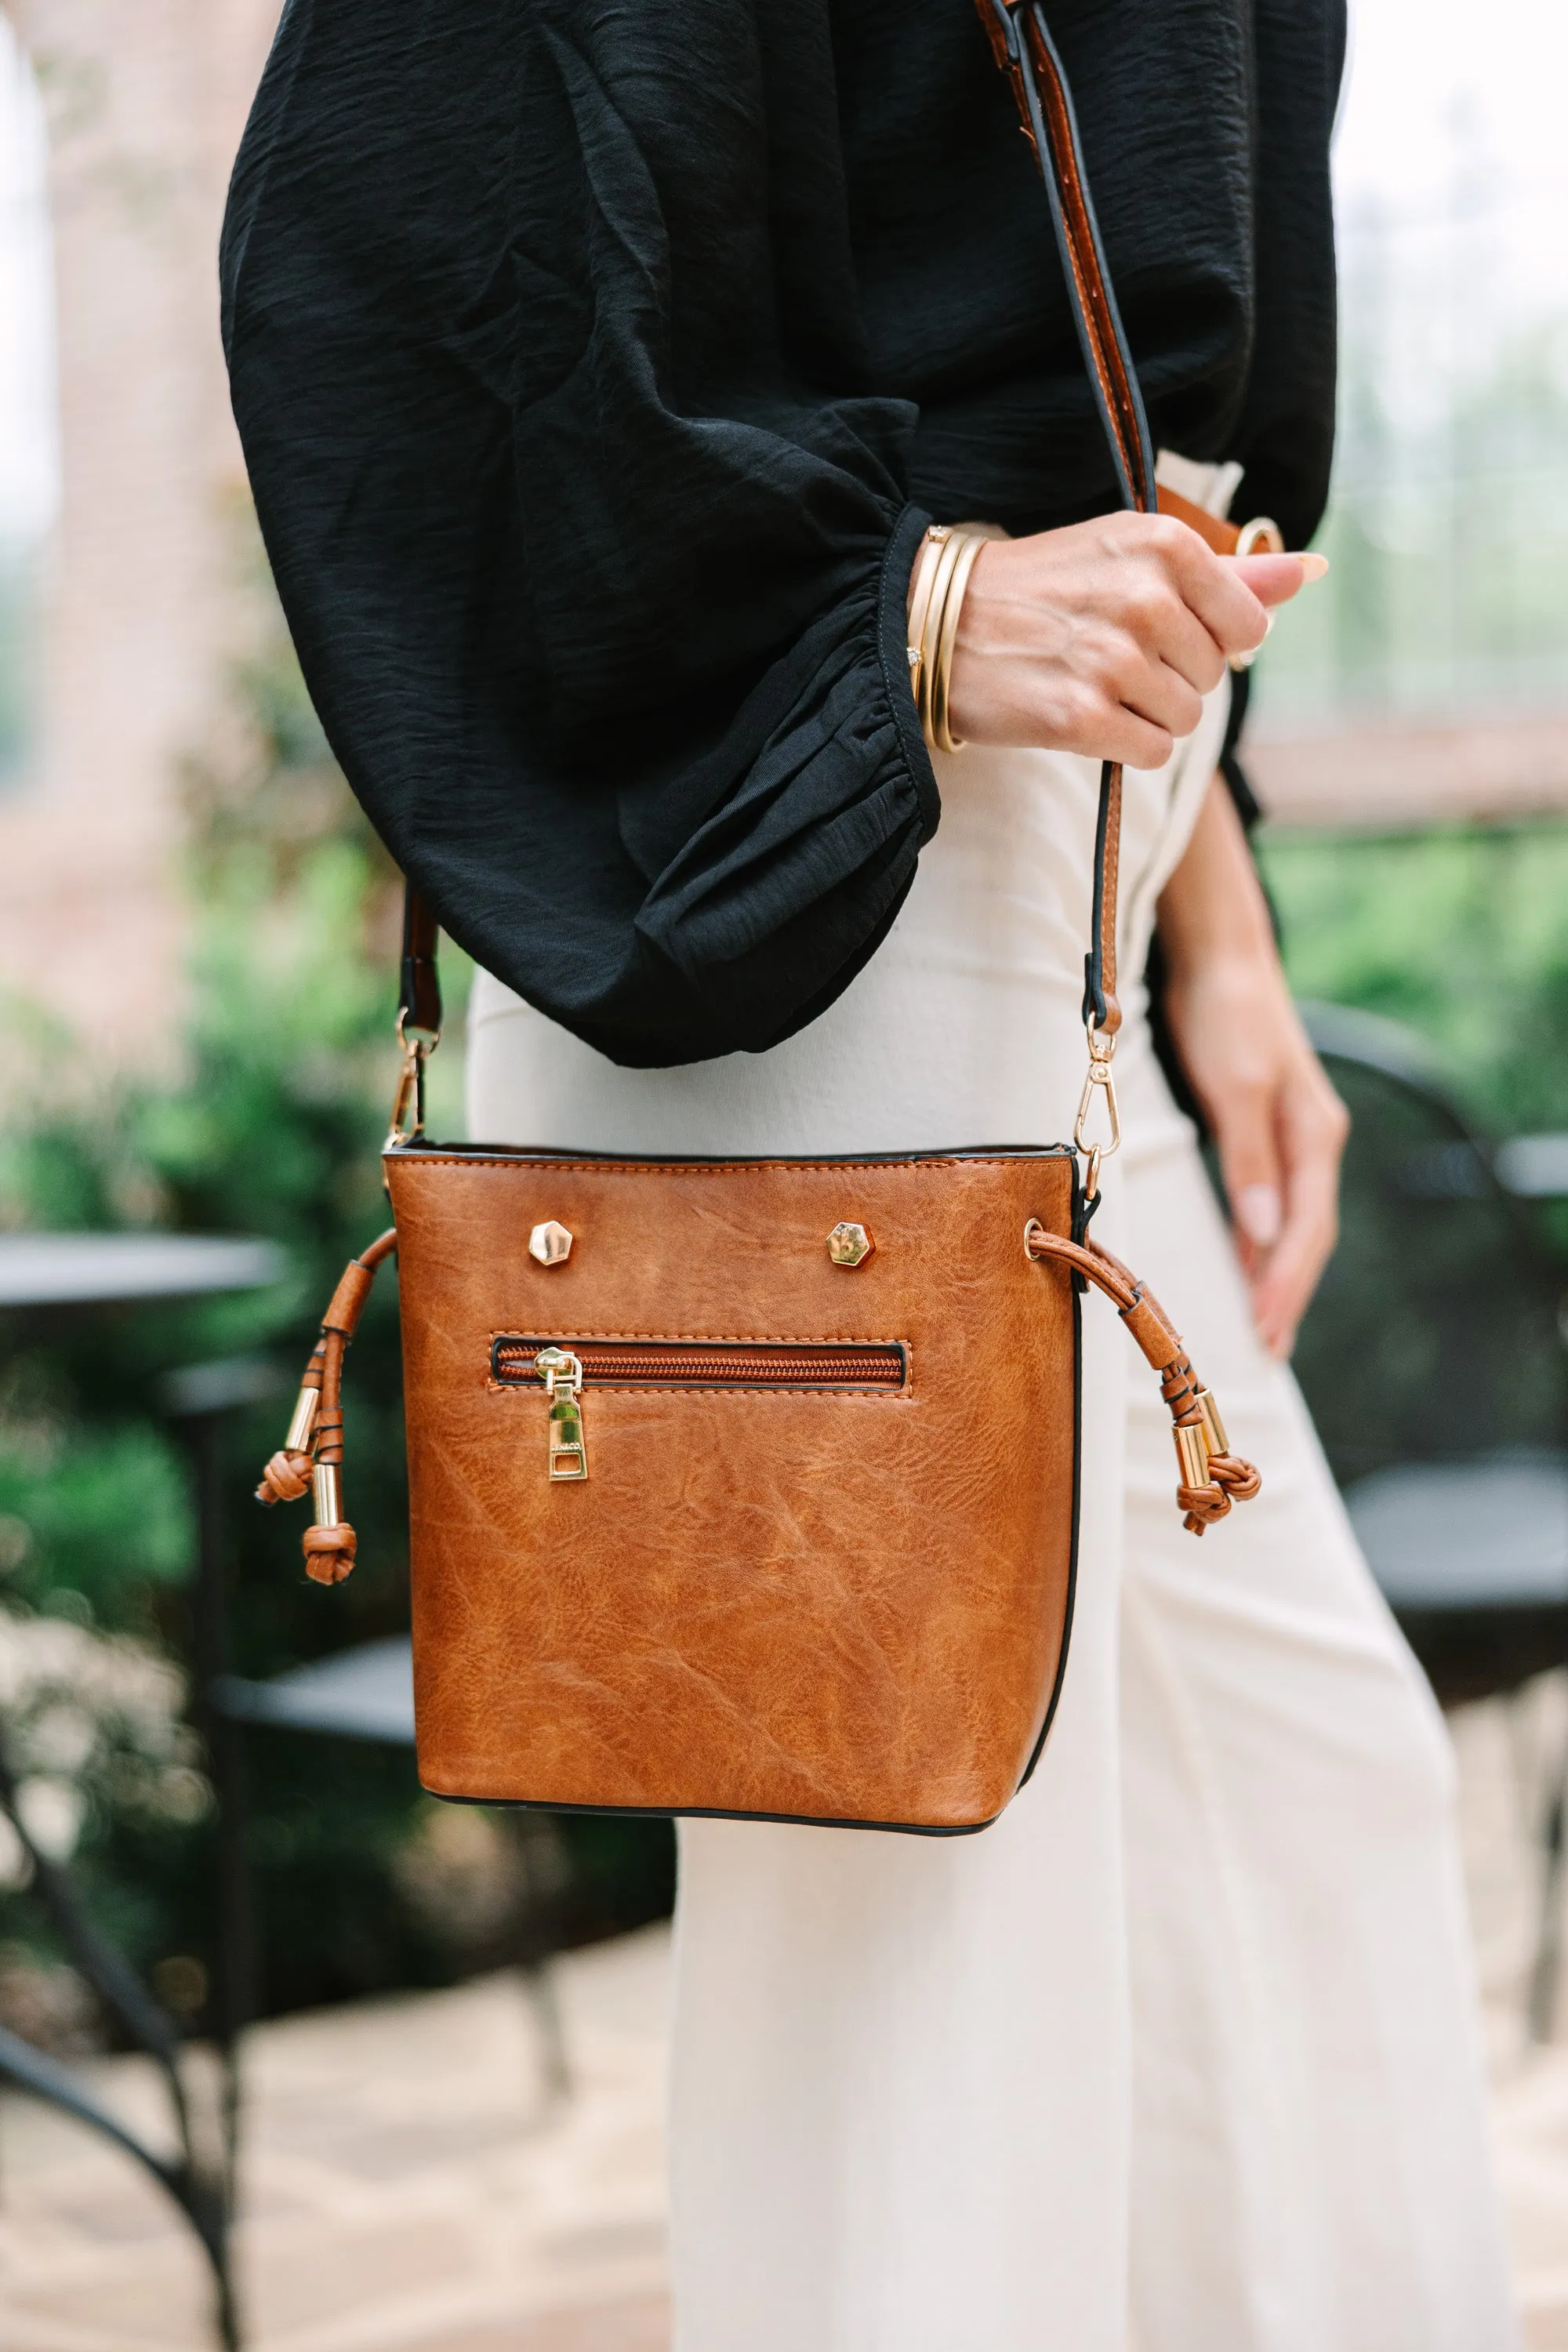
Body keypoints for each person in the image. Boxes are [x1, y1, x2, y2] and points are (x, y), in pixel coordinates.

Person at [221, 2, 1520, 2344]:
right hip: (816, 836)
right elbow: (399, 255)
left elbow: (1126, 350)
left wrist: (1212, 919)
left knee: (1293, 1809)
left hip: (1087, 809)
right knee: (934, 1990)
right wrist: (903, 608)